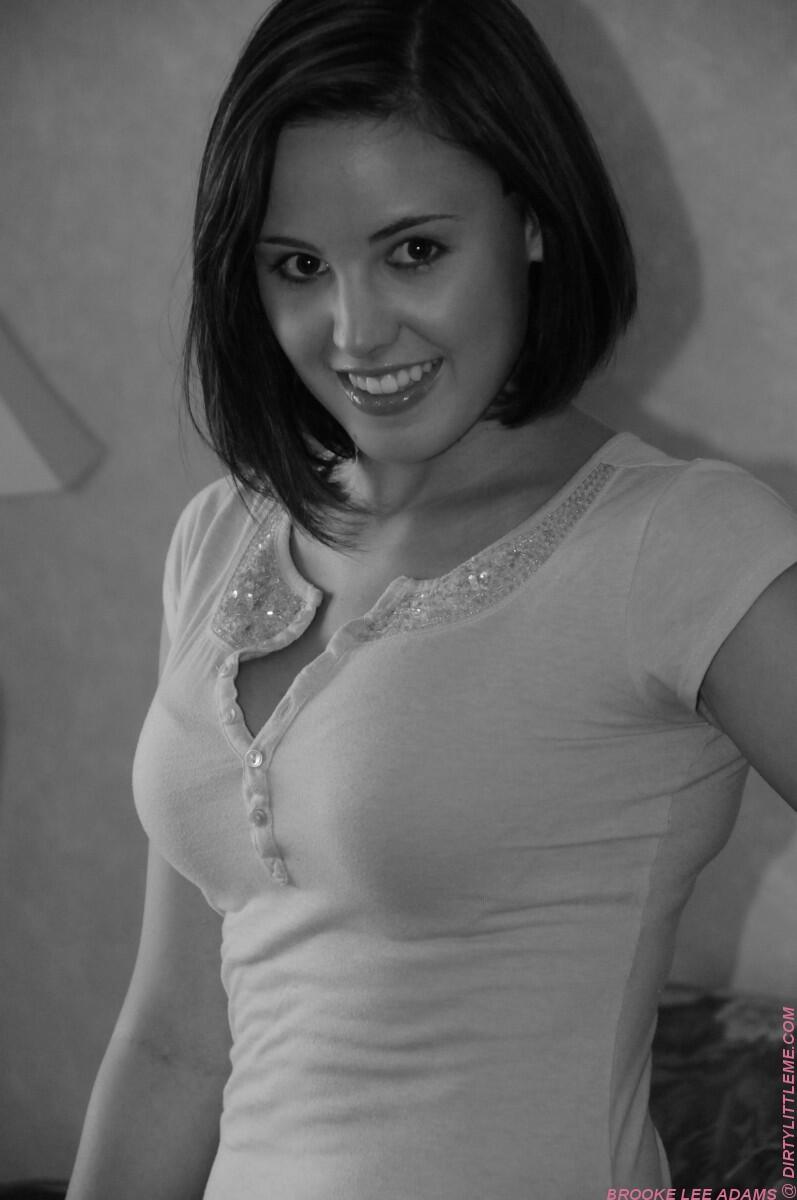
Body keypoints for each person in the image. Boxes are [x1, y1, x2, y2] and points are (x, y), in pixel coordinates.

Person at [66, 0, 797, 1196]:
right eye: (298, 266)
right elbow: (174, 1045)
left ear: (532, 220)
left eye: (412, 251)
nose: (353, 331)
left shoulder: (672, 541)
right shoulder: (218, 537)